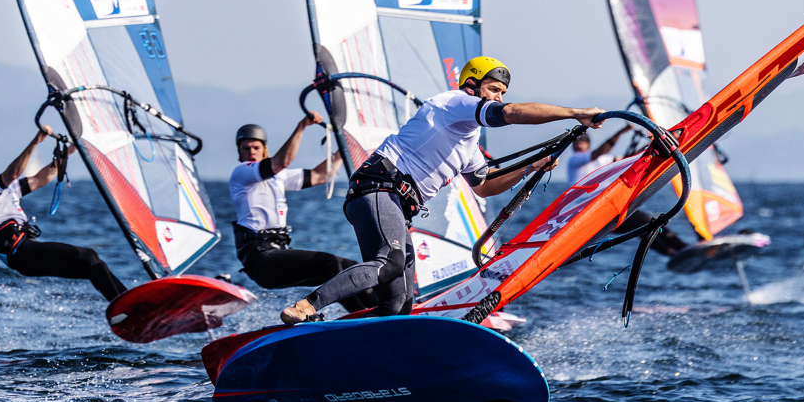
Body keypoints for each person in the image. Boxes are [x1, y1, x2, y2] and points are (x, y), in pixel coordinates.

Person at [281, 56, 606, 324]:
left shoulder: (469, 143)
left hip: (395, 203)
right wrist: (575, 113)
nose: (499, 97)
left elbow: (484, 187)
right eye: (493, 89)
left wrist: (529, 167)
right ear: (471, 85)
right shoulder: (454, 103)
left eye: (503, 92)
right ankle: (307, 306)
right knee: (390, 262)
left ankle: (325, 337)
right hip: (378, 188)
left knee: (398, 304)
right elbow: (509, 113)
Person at [230, 114, 378, 313]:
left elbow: (320, 175)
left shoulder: (278, 178)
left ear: (264, 150)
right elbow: (281, 162)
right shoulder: (241, 174)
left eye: (255, 148)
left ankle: (383, 308)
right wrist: (302, 126)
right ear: (239, 154)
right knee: (331, 265)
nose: (251, 152)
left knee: (352, 268)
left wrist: (345, 148)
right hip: (261, 261)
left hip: (279, 252)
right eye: (245, 149)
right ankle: (364, 317)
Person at [0, 128, 127, 302]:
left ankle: (129, 303)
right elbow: (12, 174)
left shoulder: (5, 190)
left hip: (29, 250)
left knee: (94, 264)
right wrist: (34, 143)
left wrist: (68, 151)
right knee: (88, 257)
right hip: (21, 255)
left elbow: (42, 177)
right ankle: (125, 306)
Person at [567, 128, 689, 257]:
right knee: (643, 224)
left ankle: (682, 249)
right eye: (577, 142)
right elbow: (600, 151)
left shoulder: (601, 160)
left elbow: (628, 159)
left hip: (611, 209)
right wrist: (621, 131)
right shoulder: (575, 159)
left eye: (583, 140)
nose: (579, 143)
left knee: (648, 223)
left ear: (589, 144)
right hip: (596, 215)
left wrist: (649, 147)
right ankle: (675, 252)